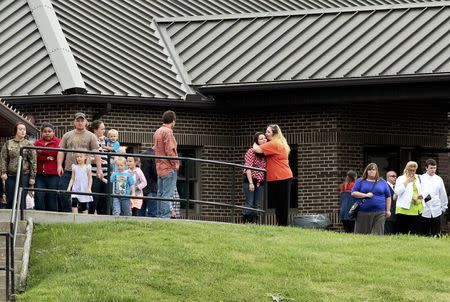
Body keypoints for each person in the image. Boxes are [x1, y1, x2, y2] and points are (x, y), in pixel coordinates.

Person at [57, 113, 103, 212]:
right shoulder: (67, 135)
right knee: (63, 192)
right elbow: (61, 151)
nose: (80, 122)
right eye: (78, 120)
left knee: (84, 195)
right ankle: (68, 214)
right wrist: (59, 165)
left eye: (82, 120)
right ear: (74, 122)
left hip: (84, 171)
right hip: (69, 169)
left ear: (86, 122)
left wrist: (99, 169)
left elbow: (96, 152)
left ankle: (84, 217)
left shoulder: (91, 136)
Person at [253, 124, 292, 226]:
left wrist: (255, 142)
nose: (266, 134)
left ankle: (283, 225)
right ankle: (282, 224)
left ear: (274, 134)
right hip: (280, 177)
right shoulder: (278, 143)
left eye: (268, 132)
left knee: (281, 203)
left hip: (280, 177)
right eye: (266, 132)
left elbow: (257, 149)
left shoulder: (274, 144)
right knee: (280, 203)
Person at [0, 122, 37, 209]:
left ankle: (21, 219)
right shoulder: (8, 143)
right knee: (10, 197)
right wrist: (3, 172)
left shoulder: (29, 144)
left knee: (22, 197)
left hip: (24, 175)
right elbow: (3, 158)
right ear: (15, 131)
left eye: (24, 129)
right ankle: (9, 218)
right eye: (20, 129)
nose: (23, 131)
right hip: (11, 175)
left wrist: (32, 177)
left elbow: (33, 162)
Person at [351, 163, 391, 235]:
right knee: (361, 234)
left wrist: (388, 210)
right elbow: (353, 193)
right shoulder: (360, 181)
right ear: (366, 171)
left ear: (376, 171)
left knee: (378, 234)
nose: (371, 171)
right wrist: (365, 195)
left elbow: (388, 196)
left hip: (380, 212)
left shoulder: (383, 182)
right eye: (369, 169)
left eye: (373, 169)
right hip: (363, 212)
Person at [153, 110, 179, 218]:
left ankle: (160, 215)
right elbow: (170, 150)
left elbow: (155, 148)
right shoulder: (168, 132)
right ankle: (165, 217)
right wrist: (175, 164)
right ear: (173, 121)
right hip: (168, 168)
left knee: (160, 193)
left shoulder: (157, 131)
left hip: (159, 167)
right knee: (167, 194)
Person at [34, 123, 61, 211]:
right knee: (39, 195)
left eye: (49, 131)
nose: (47, 133)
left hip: (53, 175)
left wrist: (42, 151)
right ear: (42, 133)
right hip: (39, 175)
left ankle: (52, 220)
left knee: (51, 196)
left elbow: (55, 154)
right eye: (45, 131)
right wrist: (46, 157)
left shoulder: (58, 142)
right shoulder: (37, 142)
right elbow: (34, 156)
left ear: (54, 132)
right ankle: (39, 217)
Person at [242, 132, 267, 223]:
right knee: (250, 202)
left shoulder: (265, 153)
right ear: (256, 141)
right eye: (261, 138)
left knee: (257, 203)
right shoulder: (251, 151)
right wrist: (251, 183)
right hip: (250, 180)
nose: (264, 140)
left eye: (265, 138)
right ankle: (246, 222)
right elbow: (248, 167)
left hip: (260, 182)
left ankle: (254, 222)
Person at [420, 159, 448, 236]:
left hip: (436, 209)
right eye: (431, 168)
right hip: (424, 209)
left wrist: (444, 207)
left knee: (436, 232)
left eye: (434, 168)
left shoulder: (439, 179)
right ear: (426, 168)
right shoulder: (421, 178)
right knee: (424, 232)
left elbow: (442, 194)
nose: (433, 170)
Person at [394, 161, 423, 235]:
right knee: (402, 233)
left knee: (415, 233)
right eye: (410, 169)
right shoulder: (401, 178)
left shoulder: (419, 178)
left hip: (417, 209)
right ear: (406, 169)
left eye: (414, 169)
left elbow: (423, 190)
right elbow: (397, 192)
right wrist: (407, 182)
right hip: (403, 209)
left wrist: (420, 195)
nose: (412, 171)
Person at [89, 120, 109, 214]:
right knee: (94, 196)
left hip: (105, 173)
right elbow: (86, 156)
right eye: (102, 129)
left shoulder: (103, 141)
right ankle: (91, 214)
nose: (104, 131)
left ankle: (103, 216)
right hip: (95, 174)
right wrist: (96, 160)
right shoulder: (91, 141)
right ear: (95, 130)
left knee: (104, 197)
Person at [140, 148, 158, 217]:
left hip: (141, 189)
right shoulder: (155, 156)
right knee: (152, 214)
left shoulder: (141, 155)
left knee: (140, 213)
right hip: (152, 188)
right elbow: (155, 174)